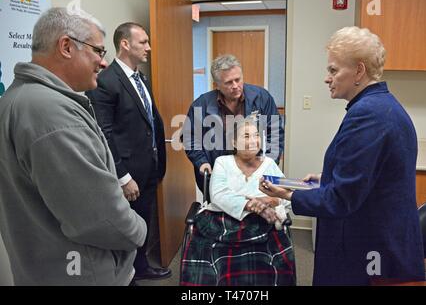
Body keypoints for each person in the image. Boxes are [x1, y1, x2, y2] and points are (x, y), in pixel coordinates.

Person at [259, 26, 425, 286]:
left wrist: (289, 195)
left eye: (334, 70)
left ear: (359, 71)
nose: (327, 78)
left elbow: (341, 199)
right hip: (379, 240)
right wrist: (326, 178)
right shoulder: (381, 106)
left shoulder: (368, 115)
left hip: (368, 249)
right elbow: (370, 176)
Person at [0, 7, 147, 285]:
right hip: (84, 274)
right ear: (66, 47)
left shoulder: (16, 98)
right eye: (98, 51)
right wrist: (140, 229)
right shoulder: (51, 112)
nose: (104, 63)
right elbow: (100, 216)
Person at [85, 22, 170, 281]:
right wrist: (123, 176)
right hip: (127, 175)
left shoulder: (140, 77)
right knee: (126, 229)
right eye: (143, 42)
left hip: (149, 168)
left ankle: (142, 268)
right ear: (125, 43)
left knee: (144, 222)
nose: (149, 47)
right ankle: (127, 276)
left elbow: (147, 122)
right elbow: (103, 134)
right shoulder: (106, 81)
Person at [180, 118, 296, 286]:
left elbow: (286, 197)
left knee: (261, 268)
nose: (253, 141)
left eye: (256, 135)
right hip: (222, 223)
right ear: (234, 141)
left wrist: (268, 201)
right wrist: (251, 204)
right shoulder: (223, 162)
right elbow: (218, 195)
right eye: (246, 136)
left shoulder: (269, 164)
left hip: (260, 227)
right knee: (217, 268)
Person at [183, 54, 284, 191]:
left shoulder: (261, 98)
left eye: (238, 79)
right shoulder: (201, 104)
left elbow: (276, 131)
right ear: (216, 85)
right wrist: (201, 162)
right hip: (217, 173)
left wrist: (269, 162)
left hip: (255, 173)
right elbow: (190, 137)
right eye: (229, 82)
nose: (235, 86)